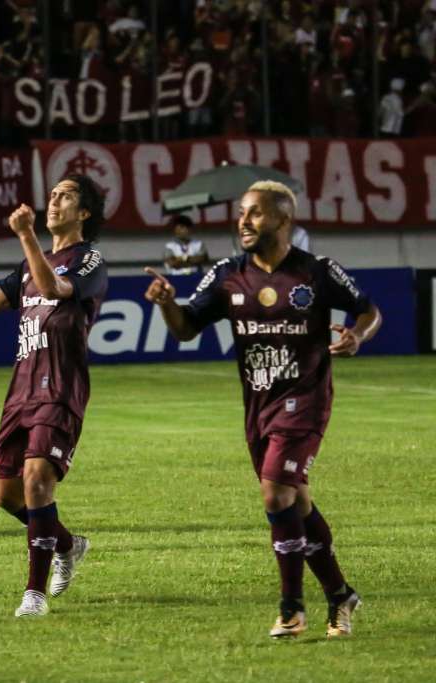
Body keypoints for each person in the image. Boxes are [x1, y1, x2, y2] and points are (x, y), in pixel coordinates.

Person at [144, 180, 381, 639]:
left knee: (276, 493)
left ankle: (291, 608)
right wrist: (168, 304)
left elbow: (369, 311)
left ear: (283, 220)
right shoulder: (228, 273)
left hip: (306, 401)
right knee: (296, 502)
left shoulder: (317, 272)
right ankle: (340, 594)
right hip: (259, 404)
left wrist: (358, 335)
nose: (244, 221)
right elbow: (187, 329)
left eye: (254, 213)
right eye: (241, 213)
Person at [0, 175, 109, 617]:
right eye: (54, 194)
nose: (55, 200)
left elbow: (57, 290)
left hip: (60, 386)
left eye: (67, 196)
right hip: (20, 388)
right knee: (6, 494)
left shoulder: (89, 260)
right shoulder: (27, 265)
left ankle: (34, 594)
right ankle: (67, 544)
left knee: (37, 480)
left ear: (85, 213)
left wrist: (25, 236)